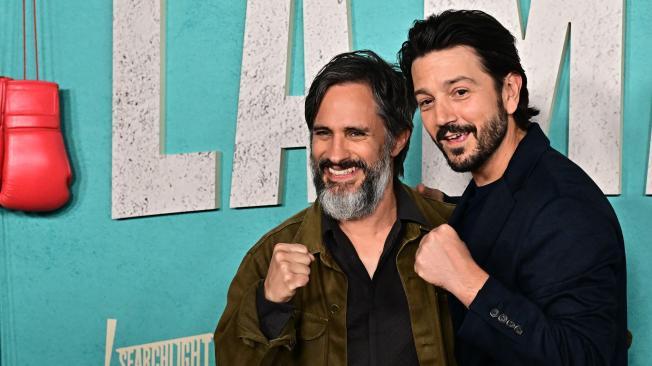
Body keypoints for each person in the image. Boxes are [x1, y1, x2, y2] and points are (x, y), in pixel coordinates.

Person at [398, 9, 627, 366]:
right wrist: (449, 207)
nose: (442, 118)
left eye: (459, 92)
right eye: (427, 101)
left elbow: (585, 357)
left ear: (509, 91)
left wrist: (469, 283)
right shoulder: (487, 189)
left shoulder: (567, 208)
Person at [214, 50, 457, 366]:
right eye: (323, 134)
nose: (335, 153)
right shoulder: (270, 256)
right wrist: (269, 304)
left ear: (397, 140)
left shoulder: (454, 230)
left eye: (355, 133)